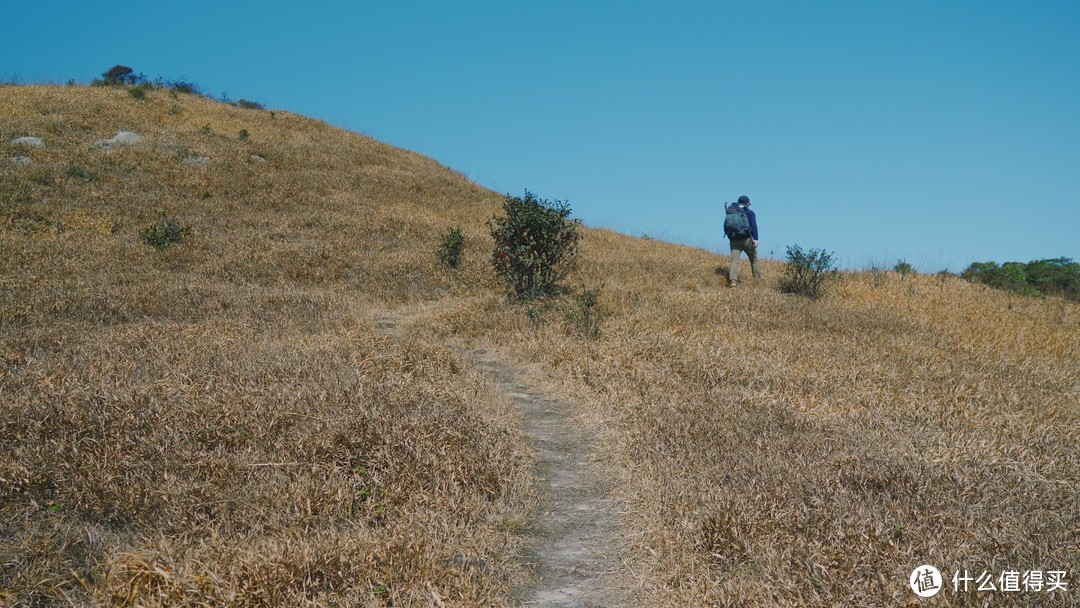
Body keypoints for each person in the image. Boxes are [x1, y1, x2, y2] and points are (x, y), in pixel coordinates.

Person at [725, 195, 760, 287]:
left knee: (734, 261)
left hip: (734, 239)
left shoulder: (732, 210)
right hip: (746, 240)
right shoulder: (750, 212)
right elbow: (754, 226)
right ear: (748, 203)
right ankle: (757, 280)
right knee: (754, 259)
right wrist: (756, 239)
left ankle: (733, 281)